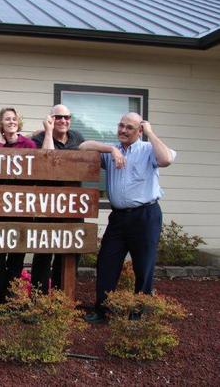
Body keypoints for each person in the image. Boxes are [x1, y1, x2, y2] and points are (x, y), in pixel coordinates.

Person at [80, 113, 175, 323]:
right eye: (121, 126)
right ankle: (103, 311)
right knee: (106, 262)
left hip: (145, 215)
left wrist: (150, 132)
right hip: (118, 218)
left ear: (139, 131)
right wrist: (112, 149)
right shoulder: (111, 151)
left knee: (144, 265)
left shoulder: (148, 150)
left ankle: (139, 314)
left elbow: (166, 159)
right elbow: (84, 146)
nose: (123, 130)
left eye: (129, 127)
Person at [0, 107, 53, 302]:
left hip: (22, 206)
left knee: (16, 255)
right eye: (7, 119)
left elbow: (46, 160)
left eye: (14, 119)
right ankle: (3, 292)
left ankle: (7, 298)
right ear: (1, 123)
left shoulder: (29, 144)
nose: (11, 121)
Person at [30, 104, 86, 294]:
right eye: (58, 117)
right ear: (51, 119)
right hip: (47, 205)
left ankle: (60, 296)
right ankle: (39, 297)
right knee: (43, 254)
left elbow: (90, 149)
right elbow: (47, 161)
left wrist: (113, 151)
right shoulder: (38, 139)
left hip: (73, 205)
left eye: (67, 117)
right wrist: (47, 132)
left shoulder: (77, 138)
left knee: (70, 252)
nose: (63, 120)